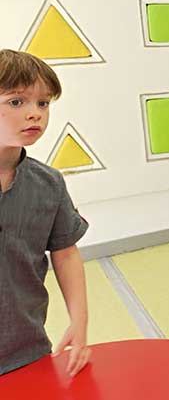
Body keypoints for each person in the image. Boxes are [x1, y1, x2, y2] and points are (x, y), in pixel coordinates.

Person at [0, 49, 91, 378]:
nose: (34, 114)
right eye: (16, 101)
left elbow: (65, 252)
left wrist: (79, 321)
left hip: (27, 348)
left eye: (43, 103)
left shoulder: (49, 184)